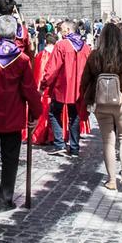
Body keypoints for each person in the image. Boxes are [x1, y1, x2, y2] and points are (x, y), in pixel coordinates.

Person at [0, 15, 40, 210]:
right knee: (10, 159)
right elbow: (29, 90)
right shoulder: (21, 60)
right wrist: (37, 113)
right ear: (15, 34)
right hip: (12, 116)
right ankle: (5, 200)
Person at [80, 23, 122, 192]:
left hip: (101, 103)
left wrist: (86, 100)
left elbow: (84, 80)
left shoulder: (95, 56)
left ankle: (111, 179)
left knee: (108, 140)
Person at [40, 20, 90, 157]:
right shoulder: (85, 47)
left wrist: (44, 84)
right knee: (75, 115)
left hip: (62, 86)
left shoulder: (62, 45)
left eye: (62, 29)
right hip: (79, 87)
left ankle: (60, 143)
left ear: (68, 30)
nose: (60, 32)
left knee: (54, 113)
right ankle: (74, 147)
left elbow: (52, 68)